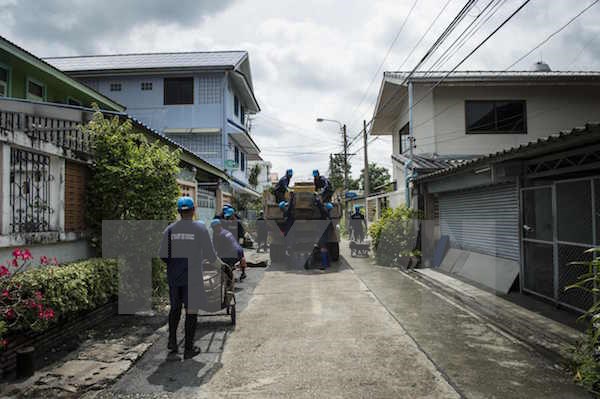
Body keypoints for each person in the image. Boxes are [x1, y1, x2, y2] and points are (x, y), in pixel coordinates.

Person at [159, 196, 217, 359]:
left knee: (175, 309)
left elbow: (163, 255)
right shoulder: (200, 228)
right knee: (191, 311)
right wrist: (222, 267)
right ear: (193, 211)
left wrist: (175, 265)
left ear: (178, 212)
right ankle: (188, 348)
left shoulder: (169, 230)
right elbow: (210, 255)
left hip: (174, 278)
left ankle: (172, 342)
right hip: (193, 279)